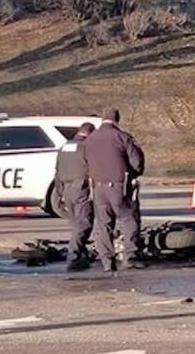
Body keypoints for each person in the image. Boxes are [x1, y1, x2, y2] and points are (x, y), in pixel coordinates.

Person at [82, 108, 145, 272]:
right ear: (117, 119)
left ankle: (107, 262)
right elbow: (137, 162)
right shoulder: (121, 137)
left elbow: (84, 162)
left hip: (98, 187)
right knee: (129, 220)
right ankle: (130, 256)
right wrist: (134, 174)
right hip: (118, 186)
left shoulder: (90, 139)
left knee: (103, 225)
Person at [55, 122, 96, 271]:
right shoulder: (86, 147)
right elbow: (92, 169)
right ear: (90, 133)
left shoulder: (64, 147)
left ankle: (81, 256)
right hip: (81, 188)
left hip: (66, 189)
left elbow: (57, 170)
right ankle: (73, 254)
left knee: (75, 224)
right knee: (84, 223)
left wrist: (60, 192)